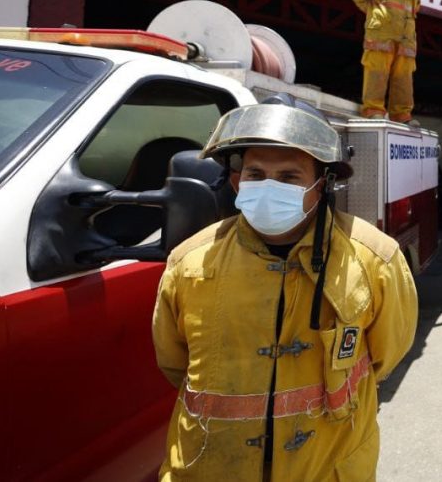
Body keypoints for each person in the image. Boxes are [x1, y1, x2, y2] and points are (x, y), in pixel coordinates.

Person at [152, 100, 419, 480]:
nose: (268, 186)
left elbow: (385, 356)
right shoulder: (189, 264)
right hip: (212, 468)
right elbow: (174, 363)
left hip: (327, 468)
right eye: (256, 173)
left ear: (321, 184)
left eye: (289, 176)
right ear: (236, 181)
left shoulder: (376, 261)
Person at [351, 0, 422, 124]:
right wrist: (375, 14)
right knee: (376, 73)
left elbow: (415, 7)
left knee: (404, 79)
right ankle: (373, 110)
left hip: (406, 38)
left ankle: (402, 115)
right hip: (381, 34)